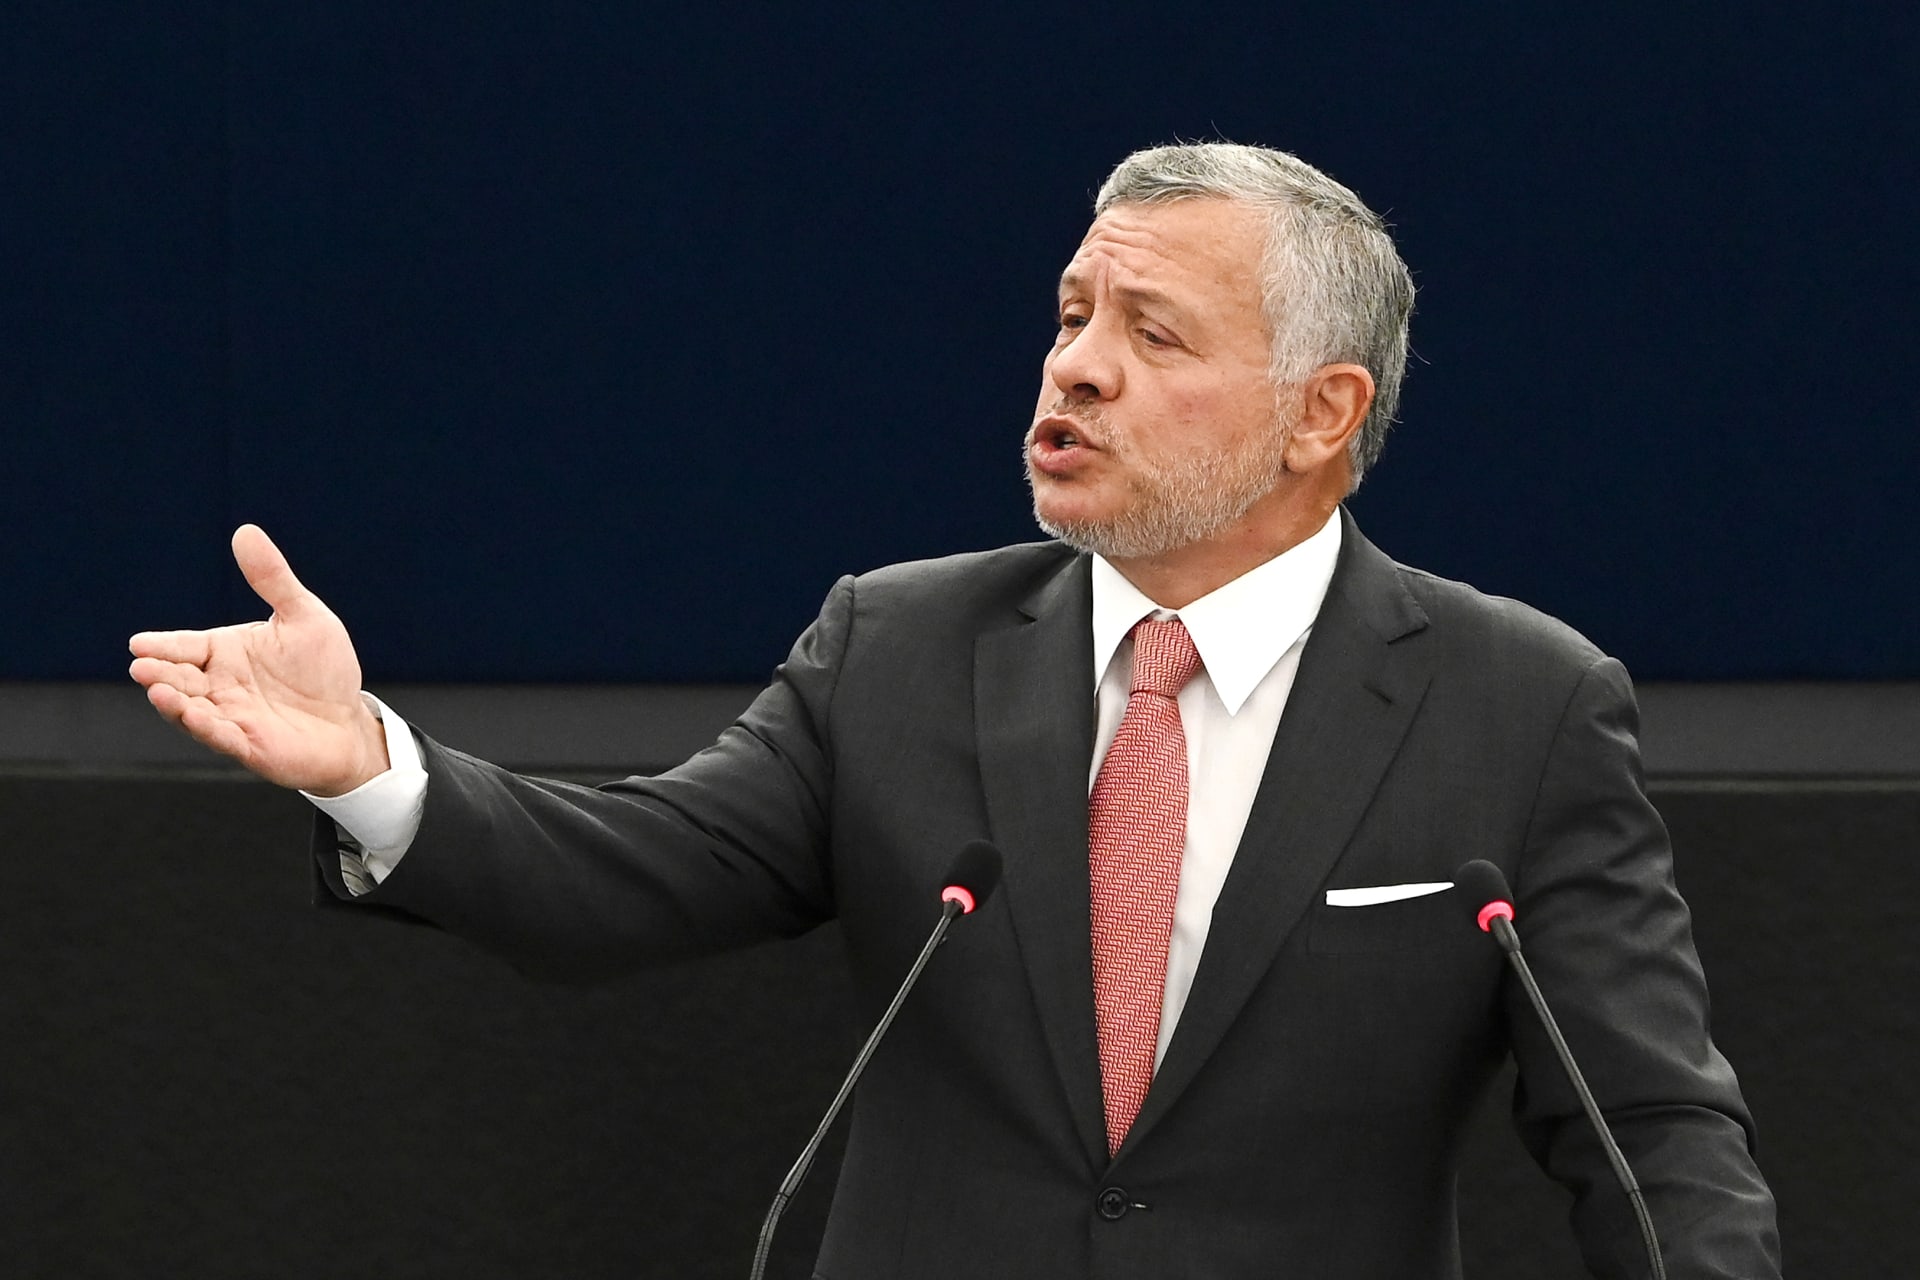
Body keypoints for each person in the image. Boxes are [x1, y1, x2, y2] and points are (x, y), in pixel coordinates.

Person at [129, 143, 1780, 1278]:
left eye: (1150, 333)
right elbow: (627, 880)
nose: (1076, 368)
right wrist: (372, 769)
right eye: (1072, 317)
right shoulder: (902, 645)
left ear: (1320, 415)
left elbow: (1649, 1134)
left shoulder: (1519, 704)